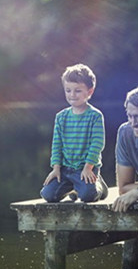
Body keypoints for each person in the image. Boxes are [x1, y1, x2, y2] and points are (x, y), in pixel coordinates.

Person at [41, 64, 109, 202]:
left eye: (77, 91)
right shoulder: (61, 117)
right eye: (68, 90)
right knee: (48, 195)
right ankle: (73, 188)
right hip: (65, 170)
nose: (72, 95)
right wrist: (56, 168)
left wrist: (88, 167)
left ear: (90, 91)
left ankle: (99, 185)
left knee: (88, 196)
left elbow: (97, 144)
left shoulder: (95, 116)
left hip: (85, 168)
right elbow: (57, 145)